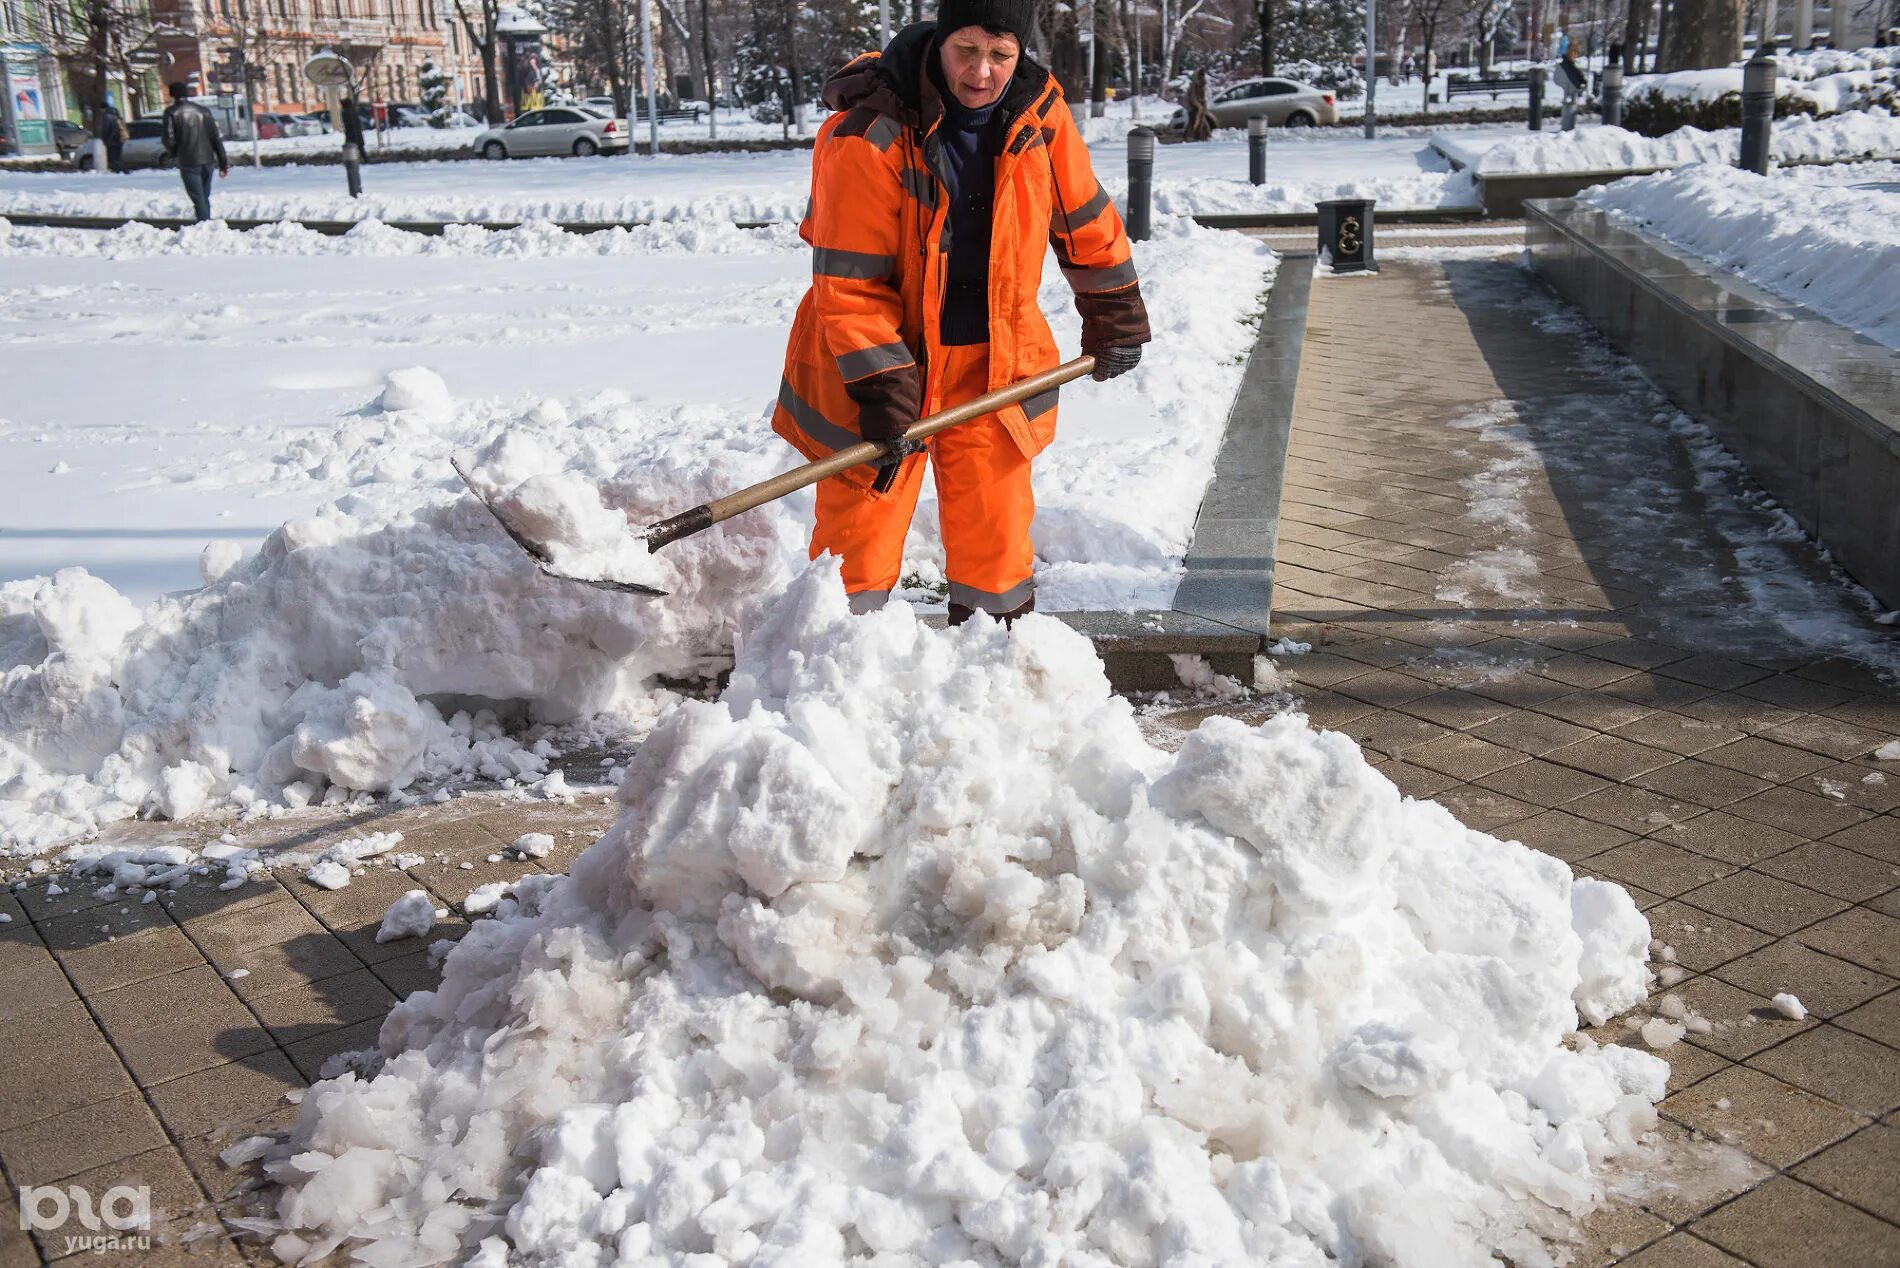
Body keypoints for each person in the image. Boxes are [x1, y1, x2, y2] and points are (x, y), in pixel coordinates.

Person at [772, 0, 1150, 624]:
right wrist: (882, 382)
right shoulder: (868, 135)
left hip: (995, 361)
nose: (982, 72)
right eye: (966, 51)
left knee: (995, 536)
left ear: (1019, 54)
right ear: (940, 43)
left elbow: (1084, 217)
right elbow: (850, 282)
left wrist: (1115, 311)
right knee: (859, 534)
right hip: (879, 359)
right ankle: (835, 662)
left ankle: (996, 656)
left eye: (1000, 55)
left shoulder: (1039, 113)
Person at [161, 83, 228, 222]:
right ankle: (207, 222)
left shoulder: (171, 112)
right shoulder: (204, 111)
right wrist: (223, 163)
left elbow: (169, 138)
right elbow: (216, 138)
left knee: (198, 197)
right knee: (204, 195)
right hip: (208, 159)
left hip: (188, 160)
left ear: (172, 94)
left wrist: (174, 153)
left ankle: (204, 224)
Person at [97, 101, 128, 173]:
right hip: (120, 139)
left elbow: (106, 129)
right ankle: (122, 170)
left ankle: (117, 170)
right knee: (118, 156)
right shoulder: (117, 115)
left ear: (103, 109)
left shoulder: (107, 116)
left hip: (111, 140)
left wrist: (103, 139)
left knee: (112, 157)